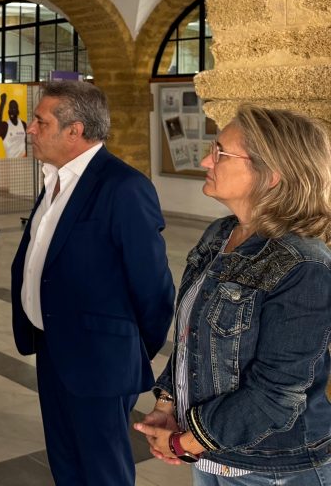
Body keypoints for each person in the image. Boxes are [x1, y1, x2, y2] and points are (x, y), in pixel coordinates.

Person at [135, 105, 331, 484]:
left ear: (271, 175)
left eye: (221, 152)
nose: (207, 159)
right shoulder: (221, 233)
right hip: (211, 456)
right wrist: (169, 403)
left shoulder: (305, 266)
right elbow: (194, 339)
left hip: (272, 469)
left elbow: (275, 395)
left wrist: (186, 441)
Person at [10, 80, 174, 486]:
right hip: (54, 347)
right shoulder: (55, 180)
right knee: (66, 463)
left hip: (99, 359)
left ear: (75, 131)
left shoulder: (124, 187)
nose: (30, 128)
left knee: (103, 471)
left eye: (39, 121)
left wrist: (125, 346)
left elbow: (155, 289)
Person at [0, 91, 27, 158]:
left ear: (18, 111)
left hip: (23, 161)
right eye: (10, 108)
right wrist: (2, 103)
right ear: (8, 111)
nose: (12, 110)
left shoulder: (23, 124)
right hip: (10, 162)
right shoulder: (5, 126)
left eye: (14, 108)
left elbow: (26, 143)